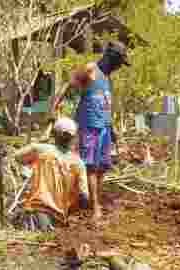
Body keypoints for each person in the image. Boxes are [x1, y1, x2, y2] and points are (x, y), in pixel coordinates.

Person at [52, 40, 131, 222]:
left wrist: (112, 128)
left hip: (103, 128)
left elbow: (105, 105)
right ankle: (95, 207)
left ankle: (91, 202)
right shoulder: (90, 69)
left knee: (102, 167)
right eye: (119, 63)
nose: (119, 68)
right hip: (88, 127)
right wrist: (53, 109)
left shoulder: (107, 78)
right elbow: (68, 85)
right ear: (112, 59)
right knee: (90, 167)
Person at [11, 117, 88, 231]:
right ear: (73, 138)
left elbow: (17, 157)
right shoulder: (78, 163)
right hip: (60, 217)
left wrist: (40, 143)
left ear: (54, 134)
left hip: (37, 211)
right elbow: (84, 196)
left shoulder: (40, 150)